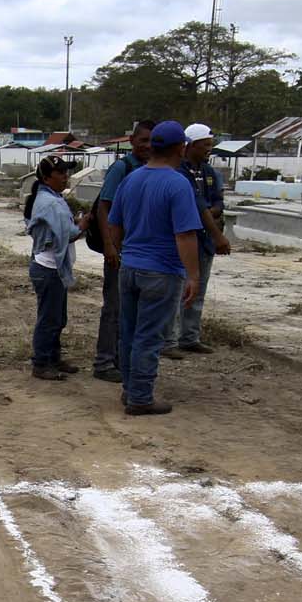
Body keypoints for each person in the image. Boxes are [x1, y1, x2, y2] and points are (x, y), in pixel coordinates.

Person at [106, 120, 202, 416]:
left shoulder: (132, 179)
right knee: (149, 337)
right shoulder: (177, 183)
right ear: (181, 147)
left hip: (131, 268)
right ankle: (141, 397)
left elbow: (114, 224)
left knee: (130, 332)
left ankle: (129, 389)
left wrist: (125, 253)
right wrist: (194, 275)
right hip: (162, 271)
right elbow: (185, 234)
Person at [91, 120, 154, 383]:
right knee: (114, 307)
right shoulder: (122, 168)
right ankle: (104, 362)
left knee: (133, 311)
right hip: (120, 249)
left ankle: (121, 358)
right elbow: (104, 207)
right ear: (132, 142)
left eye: (153, 141)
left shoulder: (154, 169)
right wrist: (109, 245)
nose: (148, 146)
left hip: (142, 251)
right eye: (143, 141)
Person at [161, 123, 226, 358]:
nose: (209, 149)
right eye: (205, 145)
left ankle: (189, 336)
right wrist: (209, 219)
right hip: (185, 239)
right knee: (178, 289)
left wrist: (211, 213)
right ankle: (169, 339)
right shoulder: (180, 173)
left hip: (204, 240)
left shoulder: (209, 173)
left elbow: (216, 201)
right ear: (190, 145)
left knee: (198, 289)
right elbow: (196, 207)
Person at [24, 156, 89, 380]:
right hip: (48, 268)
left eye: (66, 172)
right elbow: (68, 234)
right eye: (60, 173)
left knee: (57, 317)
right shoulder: (50, 202)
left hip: (51, 267)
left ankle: (52, 357)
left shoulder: (51, 198)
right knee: (50, 319)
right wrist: (82, 225)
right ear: (47, 177)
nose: (65, 177)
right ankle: (41, 363)